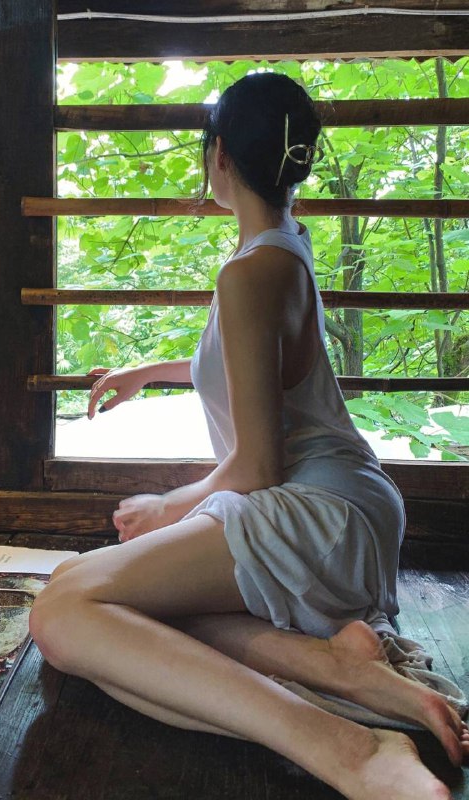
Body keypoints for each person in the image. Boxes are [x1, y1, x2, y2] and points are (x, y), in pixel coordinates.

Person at [29, 72, 468, 799]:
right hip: (345, 504)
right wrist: (151, 371)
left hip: (321, 513)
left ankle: (350, 748)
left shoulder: (253, 271)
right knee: (108, 604)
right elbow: (253, 363)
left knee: (64, 613)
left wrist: (169, 505)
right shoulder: (281, 247)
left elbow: (257, 466)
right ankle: (336, 667)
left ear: (220, 155)